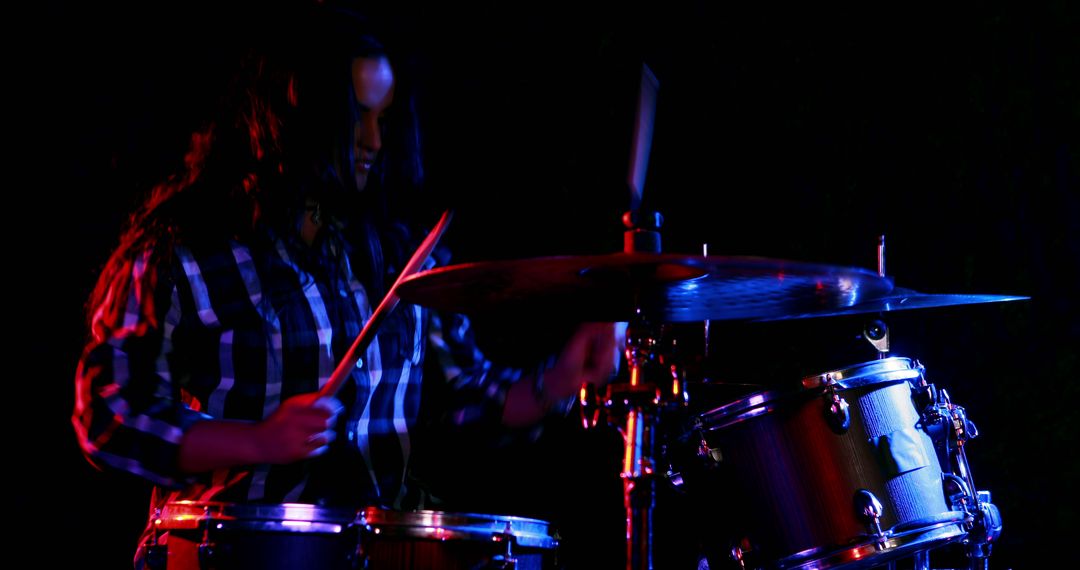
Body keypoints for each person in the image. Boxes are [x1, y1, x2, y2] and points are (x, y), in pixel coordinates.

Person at [71, 5, 621, 567]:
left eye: (383, 118)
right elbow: (108, 416)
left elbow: (461, 398)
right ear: (292, 116)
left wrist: (560, 377)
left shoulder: (397, 254)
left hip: (376, 551)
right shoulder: (181, 252)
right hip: (237, 549)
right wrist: (258, 440)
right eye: (355, 116)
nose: (374, 140)